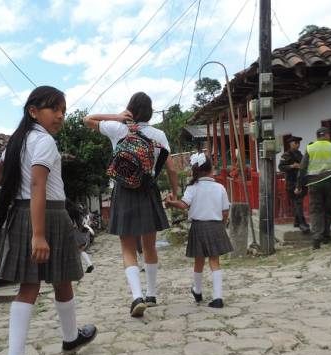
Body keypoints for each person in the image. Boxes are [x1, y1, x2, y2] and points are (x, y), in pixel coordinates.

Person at [0, 86, 97, 355]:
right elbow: (39, 185)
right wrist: (38, 235)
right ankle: (60, 342)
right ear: (33, 111)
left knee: (42, 283)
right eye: (55, 109)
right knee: (52, 281)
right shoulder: (44, 142)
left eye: (63, 110)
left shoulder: (17, 142)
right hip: (46, 214)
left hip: (23, 214)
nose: (61, 116)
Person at [85, 92, 180, 317]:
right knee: (150, 245)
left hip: (124, 191)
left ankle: (136, 296)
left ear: (130, 109)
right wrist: (174, 194)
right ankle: (152, 294)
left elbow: (87, 119)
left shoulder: (118, 130)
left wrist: (117, 117)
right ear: (150, 112)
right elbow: (172, 168)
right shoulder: (159, 134)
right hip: (148, 190)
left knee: (127, 247)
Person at [165, 153, 232, 308]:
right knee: (215, 261)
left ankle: (198, 290)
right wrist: (222, 224)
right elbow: (225, 211)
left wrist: (171, 203)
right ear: (211, 169)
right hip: (216, 225)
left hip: (199, 226)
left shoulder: (192, 188)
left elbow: (183, 205)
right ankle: (218, 297)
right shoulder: (220, 187)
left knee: (199, 261)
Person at [296, 127, 331, 250]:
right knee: (328, 210)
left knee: (316, 210)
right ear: (328, 135)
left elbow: (302, 168)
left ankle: (316, 237)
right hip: (330, 182)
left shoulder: (310, 147)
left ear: (317, 136)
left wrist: (299, 185)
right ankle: (326, 235)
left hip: (314, 183)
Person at [278, 136, 310, 233]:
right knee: (298, 202)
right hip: (292, 182)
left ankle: (297, 221)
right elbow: (281, 167)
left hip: (301, 180)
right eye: (296, 143)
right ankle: (302, 223)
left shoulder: (299, 154)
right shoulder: (286, 155)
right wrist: (292, 166)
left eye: (298, 143)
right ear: (291, 144)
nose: (297, 145)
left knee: (298, 201)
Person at [66, 199, 95, 273]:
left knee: (76, 251)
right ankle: (89, 265)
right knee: (79, 251)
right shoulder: (76, 212)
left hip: (74, 235)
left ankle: (83, 267)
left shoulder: (68, 214)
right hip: (80, 234)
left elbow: (71, 225)